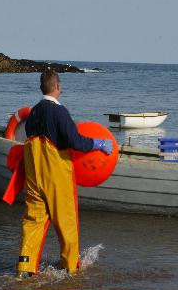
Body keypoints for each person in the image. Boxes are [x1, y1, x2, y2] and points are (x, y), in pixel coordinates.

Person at [17, 70, 112, 278]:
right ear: (58, 87)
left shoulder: (33, 113)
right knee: (66, 221)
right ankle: (71, 269)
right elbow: (75, 141)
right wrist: (98, 143)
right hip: (55, 175)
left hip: (34, 176)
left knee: (33, 221)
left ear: (42, 87)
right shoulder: (60, 113)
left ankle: (24, 269)